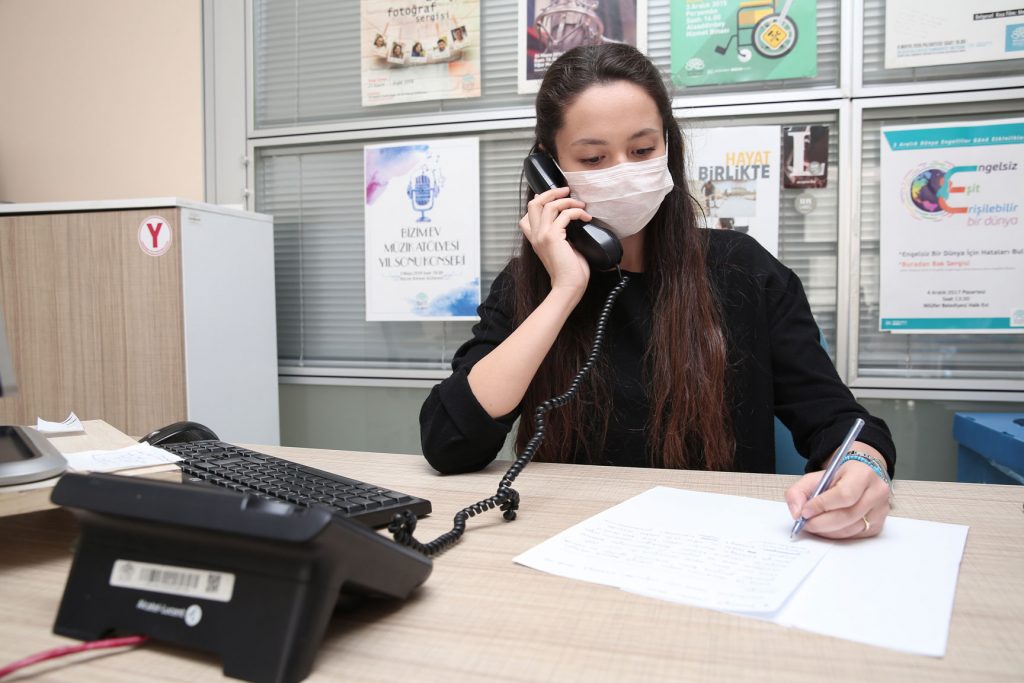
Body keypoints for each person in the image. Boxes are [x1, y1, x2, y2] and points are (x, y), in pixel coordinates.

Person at [419, 44, 896, 541]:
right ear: (550, 171)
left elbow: (841, 422)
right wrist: (564, 290)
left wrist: (866, 467)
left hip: (715, 545)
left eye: (643, 150)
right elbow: (449, 443)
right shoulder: (525, 286)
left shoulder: (745, 271)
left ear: (668, 147)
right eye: (593, 157)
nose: (624, 169)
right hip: (568, 541)